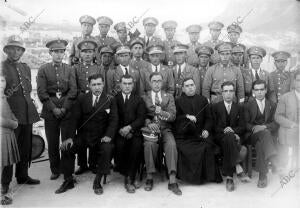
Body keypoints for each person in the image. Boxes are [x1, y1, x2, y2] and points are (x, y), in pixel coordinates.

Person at [56, 74, 118, 194]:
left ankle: (98, 180)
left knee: (107, 149)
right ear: (89, 85)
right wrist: (69, 138)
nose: (97, 87)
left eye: (99, 84)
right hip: (84, 136)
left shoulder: (110, 99)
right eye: (94, 85)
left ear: (103, 84)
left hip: (102, 136)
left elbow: (114, 120)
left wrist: (109, 135)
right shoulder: (82, 98)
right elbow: (74, 119)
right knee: (67, 147)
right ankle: (68, 180)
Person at [2, 35, 40, 185]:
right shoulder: (2, 67)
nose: (16, 52)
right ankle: (4, 184)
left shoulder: (25, 67)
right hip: (10, 116)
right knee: (9, 150)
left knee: (25, 148)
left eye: (19, 49)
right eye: (12, 49)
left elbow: (27, 91)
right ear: (7, 50)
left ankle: (22, 176)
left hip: (27, 114)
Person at [37, 39, 77, 180]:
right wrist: (54, 109)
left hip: (66, 110)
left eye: (62, 52)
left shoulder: (69, 69)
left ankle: (67, 168)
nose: (59, 55)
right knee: (52, 142)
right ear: (50, 53)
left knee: (66, 141)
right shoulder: (43, 69)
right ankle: (55, 169)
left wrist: (65, 108)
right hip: (50, 110)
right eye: (56, 52)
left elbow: (73, 91)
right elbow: (42, 92)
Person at [175, 77, 222, 185]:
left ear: (195, 86)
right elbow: (176, 119)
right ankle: (189, 178)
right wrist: (187, 116)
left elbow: (209, 118)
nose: (190, 88)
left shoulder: (203, 100)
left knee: (207, 146)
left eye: (192, 85)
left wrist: (206, 129)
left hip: (201, 133)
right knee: (183, 148)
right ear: (183, 89)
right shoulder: (178, 101)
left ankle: (205, 177)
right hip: (186, 135)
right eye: (187, 86)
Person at [142, 72, 182, 195]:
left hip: (165, 128)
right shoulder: (144, 97)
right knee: (149, 145)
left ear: (163, 82)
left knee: (171, 144)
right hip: (150, 130)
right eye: (154, 81)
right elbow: (140, 115)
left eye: (159, 81)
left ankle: (172, 179)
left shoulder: (168, 96)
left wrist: (161, 113)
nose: (157, 83)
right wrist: (148, 123)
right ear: (150, 82)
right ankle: (149, 177)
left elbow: (173, 116)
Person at [212, 81, 250, 192]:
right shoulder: (215, 107)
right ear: (222, 93)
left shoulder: (239, 107)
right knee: (229, 137)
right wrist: (226, 131)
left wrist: (233, 131)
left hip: (235, 137)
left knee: (230, 137)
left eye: (231, 91)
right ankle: (237, 165)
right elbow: (213, 126)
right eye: (225, 91)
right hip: (219, 138)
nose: (228, 94)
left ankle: (229, 177)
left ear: (234, 93)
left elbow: (243, 126)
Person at [114, 75, 146, 193]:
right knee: (120, 146)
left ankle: (130, 177)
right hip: (119, 132)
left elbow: (141, 118)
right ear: (120, 85)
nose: (127, 86)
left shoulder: (139, 99)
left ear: (133, 85)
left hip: (134, 132)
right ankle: (127, 175)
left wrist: (130, 128)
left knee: (136, 146)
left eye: (129, 84)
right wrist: (121, 130)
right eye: (124, 83)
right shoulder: (115, 99)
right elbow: (113, 118)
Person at [244, 79, 279, 188]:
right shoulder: (247, 105)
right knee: (264, 135)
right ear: (253, 91)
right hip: (253, 135)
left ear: (266, 90)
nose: (259, 92)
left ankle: (262, 176)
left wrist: (264, 127)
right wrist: (255, 128)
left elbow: (276, 123)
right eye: (256, 90)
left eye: (262, 89)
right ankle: (274, 159)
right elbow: (245, 124)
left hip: (265, 136)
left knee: (261, 145)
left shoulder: (272, 105)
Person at [73, 39, 100, 175]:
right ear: (80, 54)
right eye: (84, 52)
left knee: (95, 132)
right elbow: (74, 87)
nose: (87, 55)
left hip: (95, 103)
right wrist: (82, 99)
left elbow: (102, 86)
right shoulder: (75, 68)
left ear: (94, 53)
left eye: (90, 52)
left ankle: (93, 163)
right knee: (81, 134)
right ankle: (82, 164)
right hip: (81, 104)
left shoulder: (98, 68)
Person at [275, 70, 300, 174]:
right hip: (291, 129)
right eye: (299, 80)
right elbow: (278, 116)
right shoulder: (286, 97)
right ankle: (290, 165)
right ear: (294, 82)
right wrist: (291, 124)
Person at [1, 74, 20, 205]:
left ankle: (5, 189)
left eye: (2, 80)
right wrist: (13, 124)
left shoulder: (4, 97)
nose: (0, 83)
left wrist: (15, 120)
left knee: (8, 164)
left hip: (8, 135)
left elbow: (11, 114)